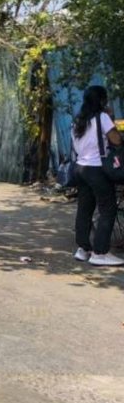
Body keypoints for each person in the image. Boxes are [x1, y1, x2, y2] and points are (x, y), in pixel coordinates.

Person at [72, 84, 124, 266]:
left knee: (84, 209)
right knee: (108, 209)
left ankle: (83, 249)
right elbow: (116, 139)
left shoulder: (79, 119)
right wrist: (111, 119)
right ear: (101, 101)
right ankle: (100, 252)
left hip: (80, 168)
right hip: (96, 169)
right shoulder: (102, 117)